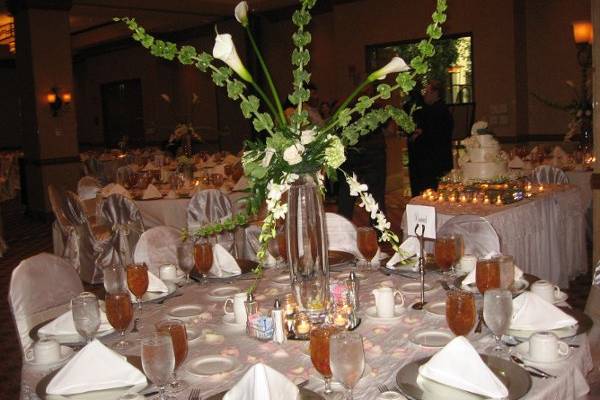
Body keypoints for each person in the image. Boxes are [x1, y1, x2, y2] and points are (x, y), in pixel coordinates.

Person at [407, 80, 454, 195]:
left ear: (435, 93)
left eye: (426, 92)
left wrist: (416, 135)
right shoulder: (440, 108)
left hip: (431, 162)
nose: (424, 95)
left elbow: (432, 134)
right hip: (435, 161)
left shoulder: (436, 110)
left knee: (430, 192)